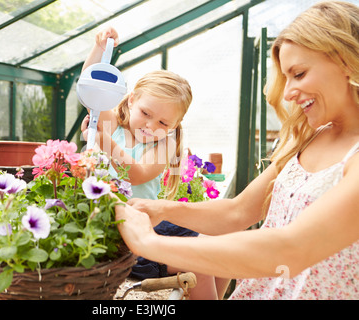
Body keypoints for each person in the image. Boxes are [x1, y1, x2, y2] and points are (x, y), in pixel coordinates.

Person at [116, 1, 359, 299]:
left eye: (299, 74)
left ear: (345, 60)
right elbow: (237, 211)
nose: (288, 93)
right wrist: (158, 209)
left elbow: (291, 249)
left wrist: (147, 242)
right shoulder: (309, 137)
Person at [80, 28, 218, 299]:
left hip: (149, 224)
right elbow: (92, 86)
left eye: (164, 123)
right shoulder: (111, 124)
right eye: (146, 113)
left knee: (219, 244)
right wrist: (99, 49)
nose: (151, 126)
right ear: (132, 100)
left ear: (175, 125)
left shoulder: (165, 143)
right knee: (202, 262)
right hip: (124, 238)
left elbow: (138, 173)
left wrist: (104, 141)